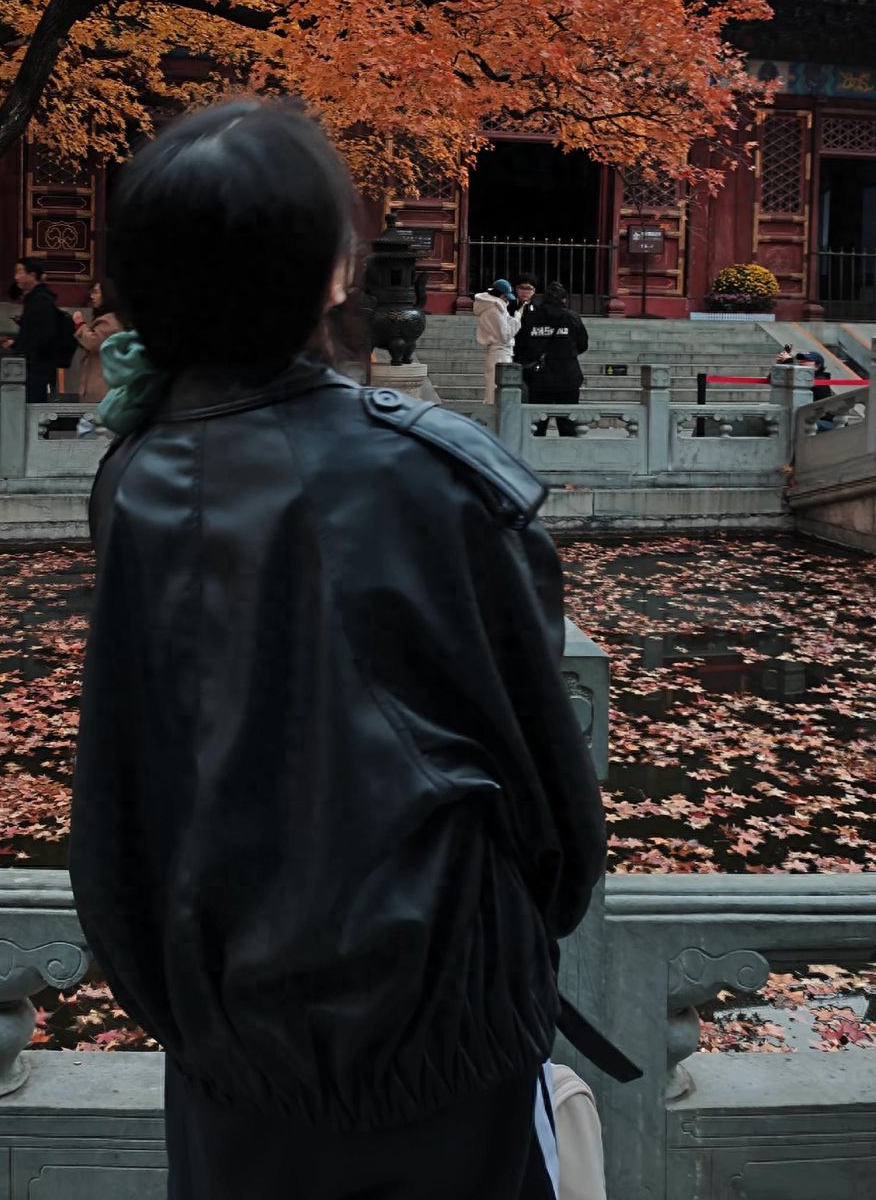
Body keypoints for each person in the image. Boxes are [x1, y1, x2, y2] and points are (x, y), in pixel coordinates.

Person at [70, 100, 609, 1200]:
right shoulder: (435, 474)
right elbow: (546, 786)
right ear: (328, 274)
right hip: (439, 1026)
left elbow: (125, 774)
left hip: (225, 1026)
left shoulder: (134, 478)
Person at [516, 281, 589, 438]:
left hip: (538, 376)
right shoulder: (572, 317)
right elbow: (583, 344)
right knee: (568, 422)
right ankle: (568, 456)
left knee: (537, 424)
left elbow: (520, 345)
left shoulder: (531, 317)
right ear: (564, 299)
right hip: (568, 376)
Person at [2, 258, 63, 402]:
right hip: (32, 361)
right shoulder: (34, 298)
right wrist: (16, 343)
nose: (16, 277)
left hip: (37, 363)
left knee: (34, 402)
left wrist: (23, 345)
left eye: (19, 272)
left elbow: (43, 333)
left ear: (32, 275)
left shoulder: (41, 299)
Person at [73, 275, 122, 405]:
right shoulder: (106, 318)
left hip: (103, 387)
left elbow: (93, 342)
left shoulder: (111, 320)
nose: (92, 297)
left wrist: (80, 325)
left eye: (95, 292)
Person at [473, 276, 521, 406]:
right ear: (499, 295)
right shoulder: (494, 310)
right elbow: (504, 336)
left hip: (498, 352)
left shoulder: (492, 307)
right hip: (499, 352)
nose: (507, 300)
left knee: (494, 388)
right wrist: (517, 319)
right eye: (505, 297)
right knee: (496, 391)